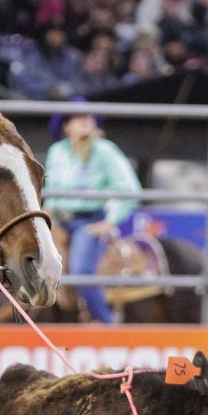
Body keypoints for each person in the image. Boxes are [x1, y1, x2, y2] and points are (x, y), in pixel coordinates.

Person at [42, 104, 141, 323]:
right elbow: (51, 188)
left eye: (88, 116)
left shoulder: (104, 149)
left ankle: (107, 324)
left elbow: (130, 189)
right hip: (59, 220)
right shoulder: (57, 151)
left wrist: (110, 221)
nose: (86, 119)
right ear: (66, 126)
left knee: (81, 272)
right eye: (78, 117)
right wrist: (45, 213)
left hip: (88, 221)